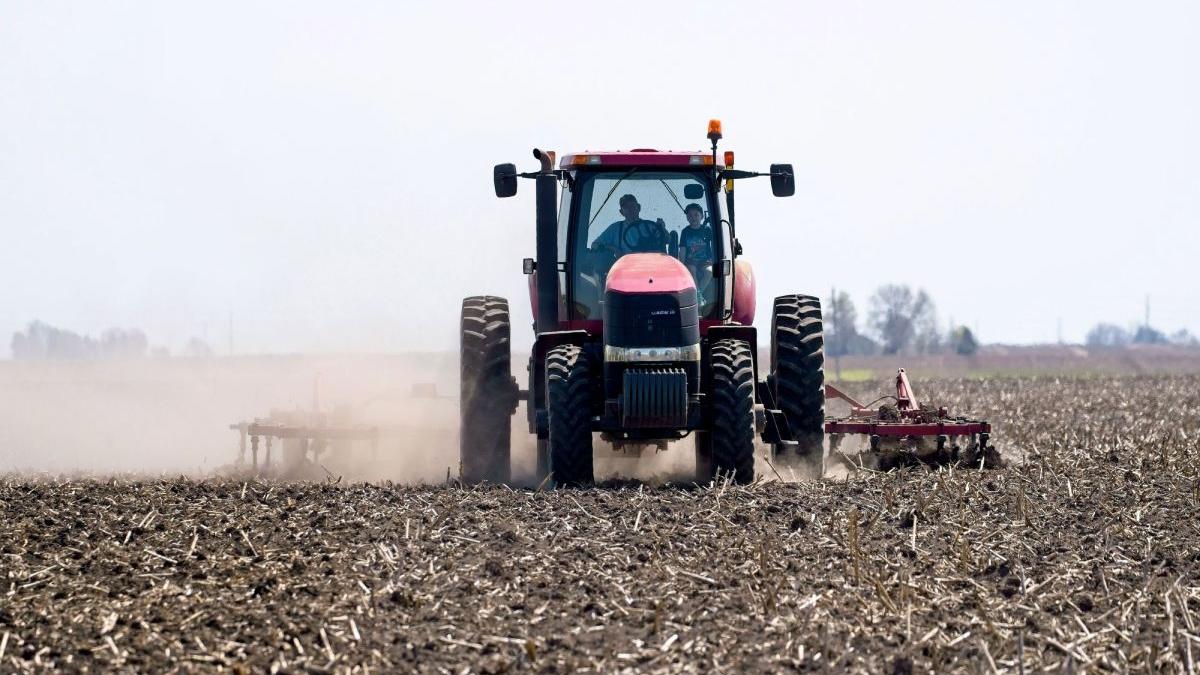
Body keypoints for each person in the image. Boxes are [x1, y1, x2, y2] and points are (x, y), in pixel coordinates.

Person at [591, 194, 668, 257]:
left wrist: (662, 228)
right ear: (621, 212)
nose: (630, 209)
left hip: (652, 264)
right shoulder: (615, 229)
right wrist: (614, 249)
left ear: (639, 208)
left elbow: (667, 240)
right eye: (626, 207)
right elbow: (595, 245)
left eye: (632, 206)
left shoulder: (650, 227)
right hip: (627, 267)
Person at [677, 202, 714, 279]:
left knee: (709, 272)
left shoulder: (707, 230)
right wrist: (681, 266)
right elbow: (682, 250)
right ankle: (696, 287)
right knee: (692, 270)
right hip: (691, 262)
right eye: (690, 215)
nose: (693, 217)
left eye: (696, 215)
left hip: (705, 261)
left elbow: (714, 245)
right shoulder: (685, 232)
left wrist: (713, 260)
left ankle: (699, 287)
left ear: (702, 216)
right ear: (687, 218)